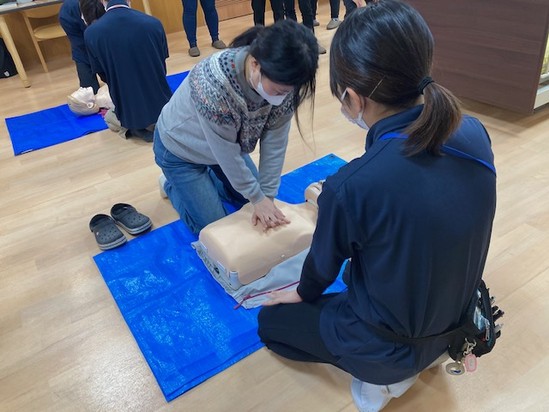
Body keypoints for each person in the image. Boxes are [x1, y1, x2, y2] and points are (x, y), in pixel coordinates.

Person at [257, 1, 497, 411]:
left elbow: (319, 272)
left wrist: (300, 293)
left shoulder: (351, 186)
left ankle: (382, 381)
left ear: (352, 98)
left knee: (271, 323)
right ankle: (423, 358)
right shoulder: (474, 132)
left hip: (390, 349)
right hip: (459, 320)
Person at [154, 19, 319, 235]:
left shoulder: (287, 81)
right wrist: (257, 197)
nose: (283, 97)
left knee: (251, 199)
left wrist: (267, 196)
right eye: (279, 91)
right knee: (214, 229)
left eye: (288, 92)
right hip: (181, 151)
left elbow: (275, 144)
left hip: (225, 147)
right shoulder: (214, 84)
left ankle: (207, 182)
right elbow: (226, 154)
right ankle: (171, 184)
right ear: (255, 64)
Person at [81, 0, 172, 142]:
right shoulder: (154, 23)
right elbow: (162, 63)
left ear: (103, 1)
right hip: (164, 105)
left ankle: (136, 128)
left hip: (129, 112)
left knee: (109, 117)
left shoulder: (91, 33)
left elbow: (103, 75)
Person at [59, 0, 104, 95]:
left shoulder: (107, 6)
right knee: (89, 92)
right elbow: (80, 45)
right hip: (82, 48)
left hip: (105, 39)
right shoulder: (67, 12)